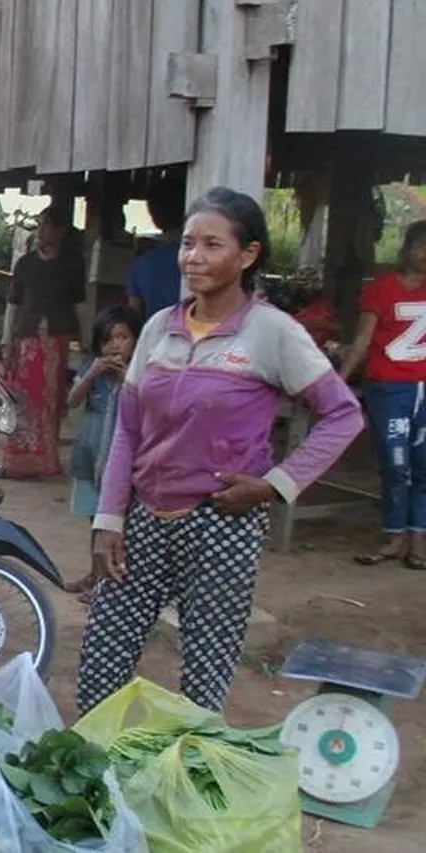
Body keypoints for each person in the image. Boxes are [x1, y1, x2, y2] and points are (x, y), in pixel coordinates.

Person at [80, 187, 362, 714]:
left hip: (221, 524)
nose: (194, 257)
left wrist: (274, 485)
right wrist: (109, 517)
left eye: (212, 245)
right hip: (144, 518)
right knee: (100, 670)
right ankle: (103, 783)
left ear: (248, 254)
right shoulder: (158, 329)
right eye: (188, 244)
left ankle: (184, 783)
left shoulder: (272, 332)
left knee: (203, 684)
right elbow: (128, 430)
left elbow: (342, 414)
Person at [338, 219, 426, 569]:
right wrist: (339, 381)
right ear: (407, 250)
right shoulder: (381, 289)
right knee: (395, 464)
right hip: (389, 386)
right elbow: (363, 339)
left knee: (423, 466)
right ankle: (395, 535)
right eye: (421, 246)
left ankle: (418, 536)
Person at [0, 204, 87, 479]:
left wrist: (86, 338)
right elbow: (13, 305)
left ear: (61, 231)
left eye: (47, 225)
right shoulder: (25, 264)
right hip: (25, 341)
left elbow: (79, 304)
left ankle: (45, 461)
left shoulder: (73, 263)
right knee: (22, 400)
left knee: (50, 400)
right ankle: (17, 462)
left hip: (56, 340)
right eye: (39, 224)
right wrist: (6, 340)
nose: (41, 230)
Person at [62, 304, 141, 604]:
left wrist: (124, 382)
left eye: (123, 337)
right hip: (90, 452)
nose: (115, 345)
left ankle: (109, 583)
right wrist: (91, 375)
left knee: (116, 523)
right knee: (95, 519)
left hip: (119, 459)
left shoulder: (140, 372)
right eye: (109, 339)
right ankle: (94, 573)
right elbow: (72, 401)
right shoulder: (91, 366)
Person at [126, 179, 187, 322]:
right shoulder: (202, 257)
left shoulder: (142, 263)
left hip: (154, 338)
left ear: (153, 214)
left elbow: (133, 313)